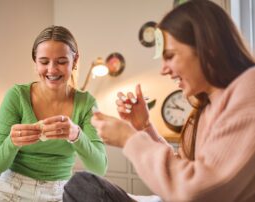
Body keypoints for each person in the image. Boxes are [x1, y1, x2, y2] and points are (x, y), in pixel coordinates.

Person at [63, 1, 255, 202]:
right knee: (81, 185)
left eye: (170, 56)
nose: (164, 69)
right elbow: (183, 170)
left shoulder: (248, 90)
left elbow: (194, 191)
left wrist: (129, 139)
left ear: (208, 47)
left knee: (82, 188)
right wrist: (144, 126)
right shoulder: (207, 107)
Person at [0, 25, 107, 202]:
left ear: (75, 60)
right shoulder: (16, 96)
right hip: (12, 189)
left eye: (61, 61)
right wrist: (12, 142)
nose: (52, 69)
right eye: (44, 61)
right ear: (35, 61)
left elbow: (99, 167)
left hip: (59, 192)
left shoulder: (86, 103)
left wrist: (76, 135)